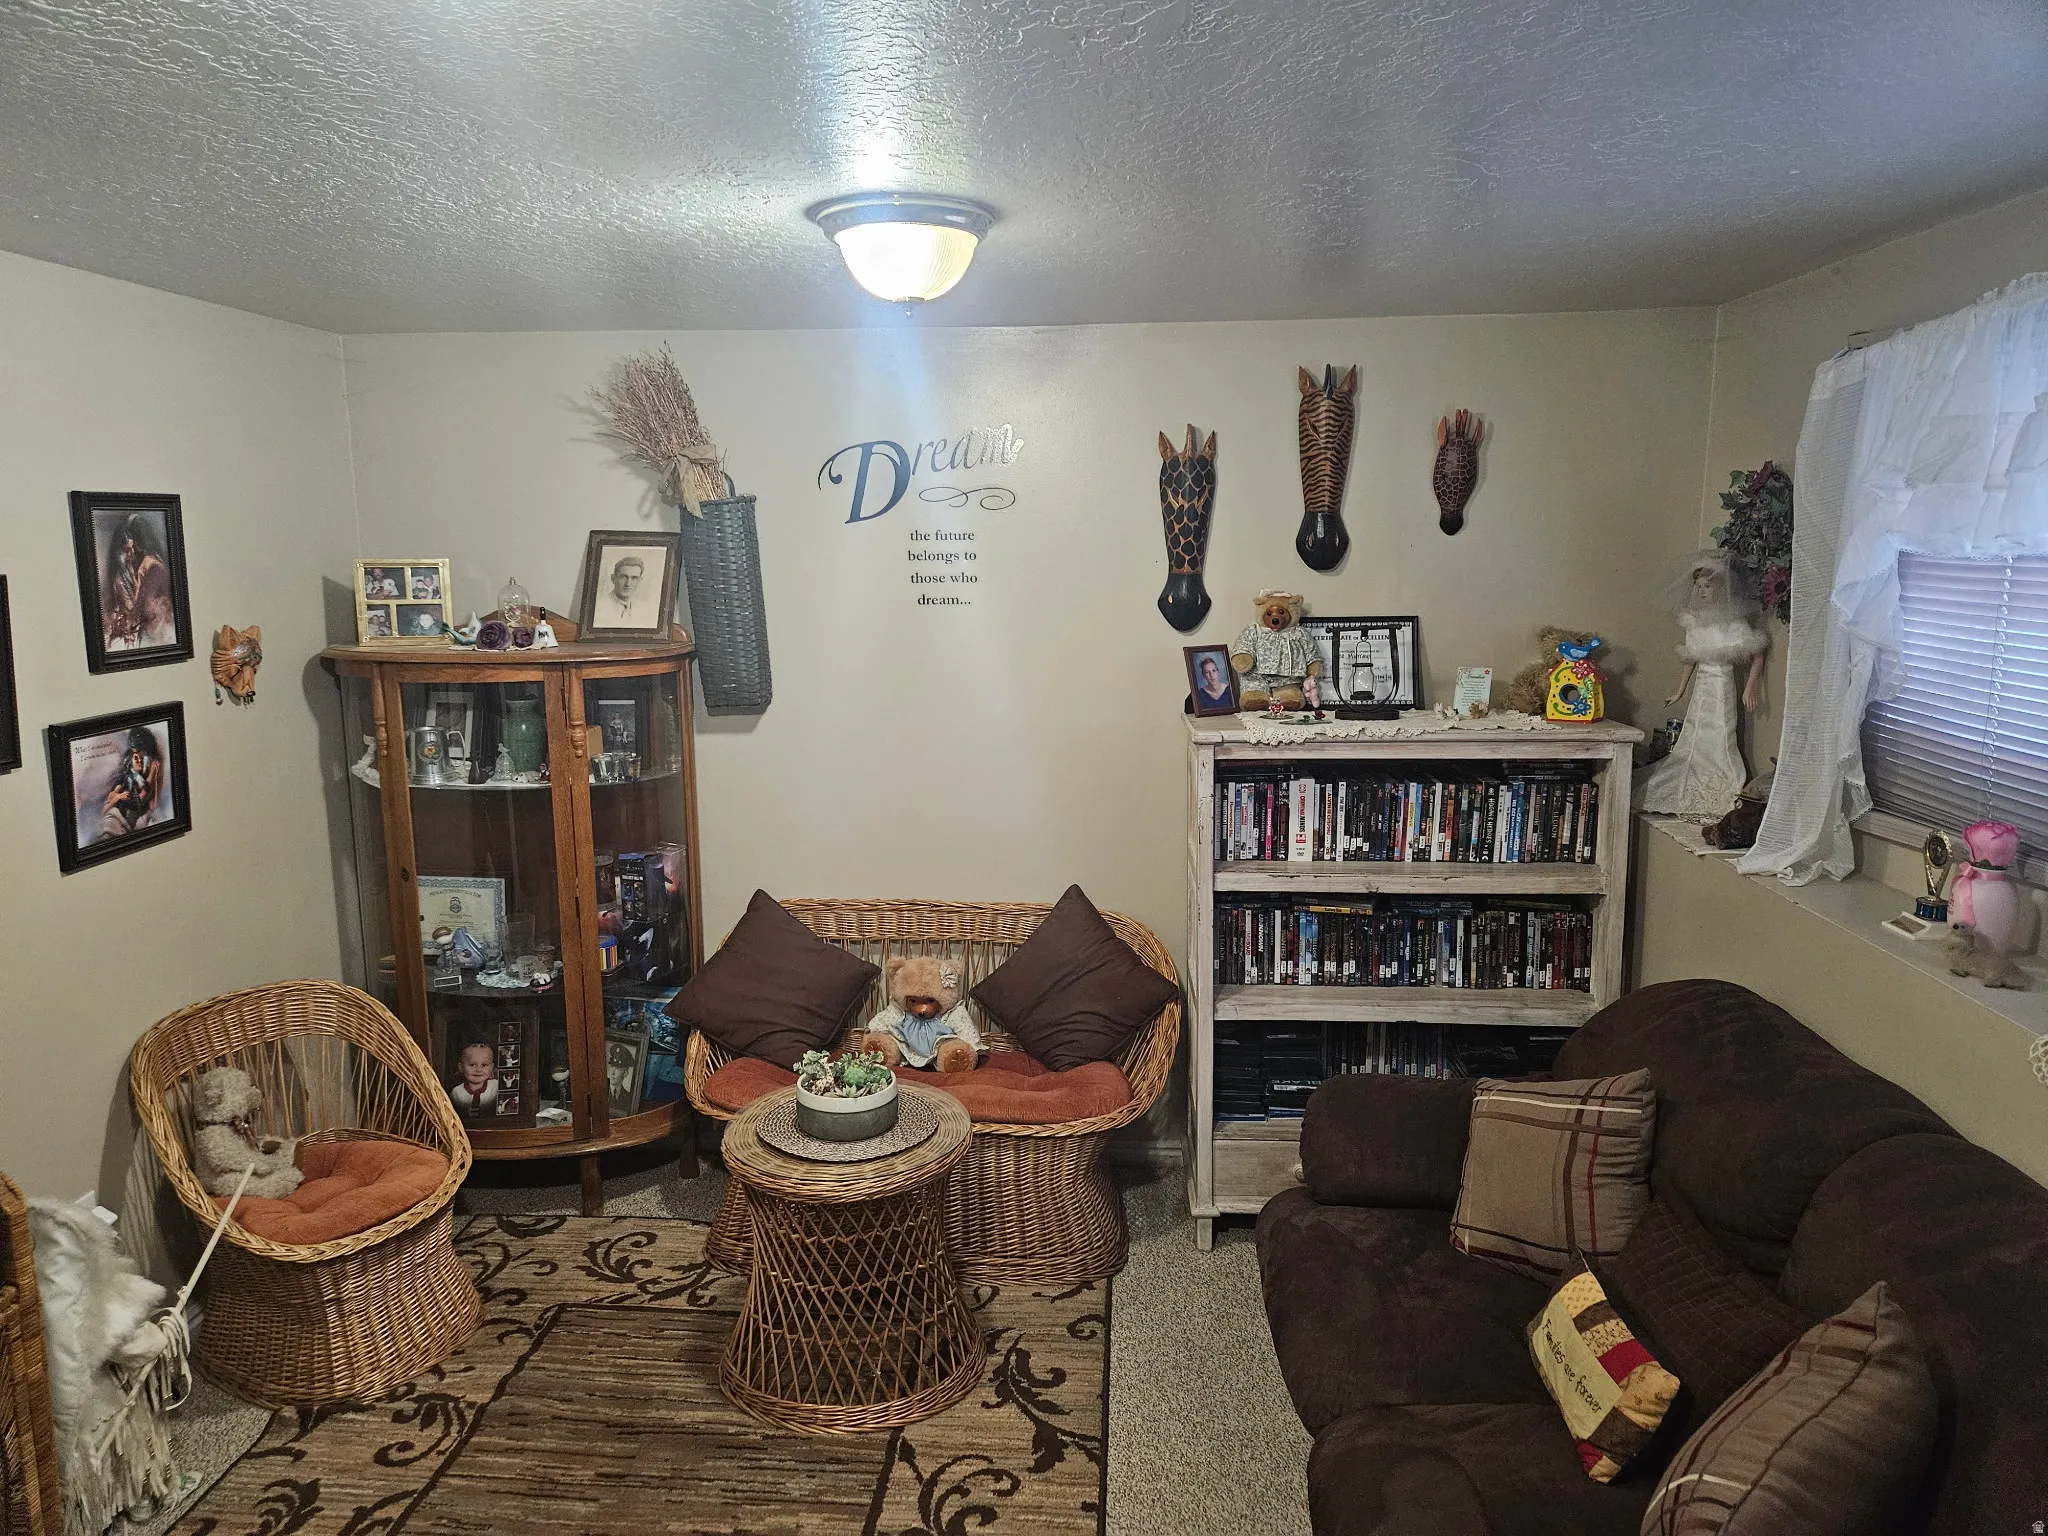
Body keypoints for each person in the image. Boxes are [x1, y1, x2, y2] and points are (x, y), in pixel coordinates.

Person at [102, 514, 175, 650]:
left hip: (157, 631)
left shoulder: (151, 566)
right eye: (125, 550)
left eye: (130, 548)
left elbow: (146, 608)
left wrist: (132, 616)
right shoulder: (129, 572)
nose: (128, 553)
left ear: (137, 543)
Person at [95, 726, 165, 843]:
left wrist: (153, 773)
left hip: (136, 819)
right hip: (121, 817)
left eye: (140, 754)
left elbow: (151, 803)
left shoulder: (146, 776)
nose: (140, 759)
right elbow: (106, 807)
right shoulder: (123, 782)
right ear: (129, 763)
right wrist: (118, 797)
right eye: (135, 757)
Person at [448, 1042, 499, 1114]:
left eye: (484, 1065)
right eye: (472, 1065)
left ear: (491, 1067)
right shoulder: (456, 1092)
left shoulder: (496, 1087)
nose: (478, 1070)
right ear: (461, 1067)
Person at [600, 555, 649, 627]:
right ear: (613, 578)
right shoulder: (599, 608)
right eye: (623, 577)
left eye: (634, 578)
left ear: (639, 580)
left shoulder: (646, 610)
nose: (628, 584)